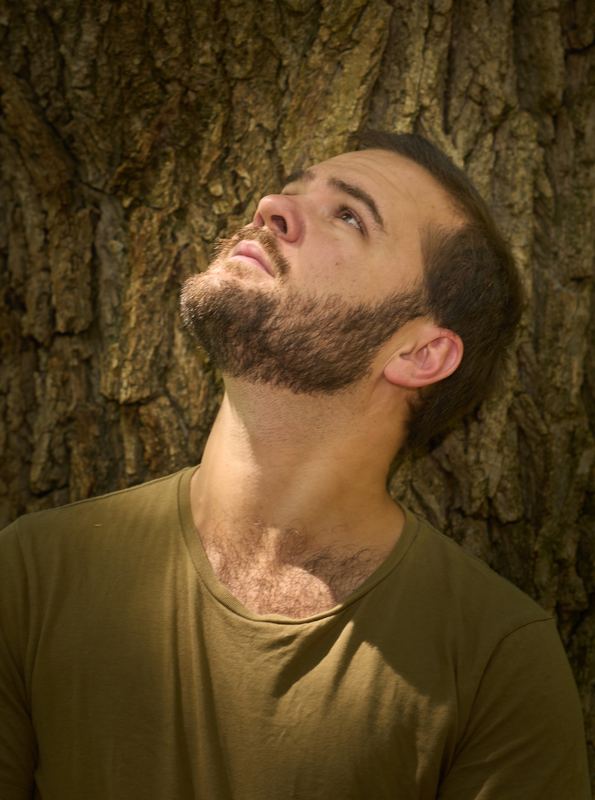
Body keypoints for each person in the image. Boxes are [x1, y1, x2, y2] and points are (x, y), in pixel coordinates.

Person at [0, 132, 590, 799]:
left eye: (348, 215)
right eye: (293, 187)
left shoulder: (492, 661)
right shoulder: (33, 573)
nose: (270, 205)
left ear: (419, 354)